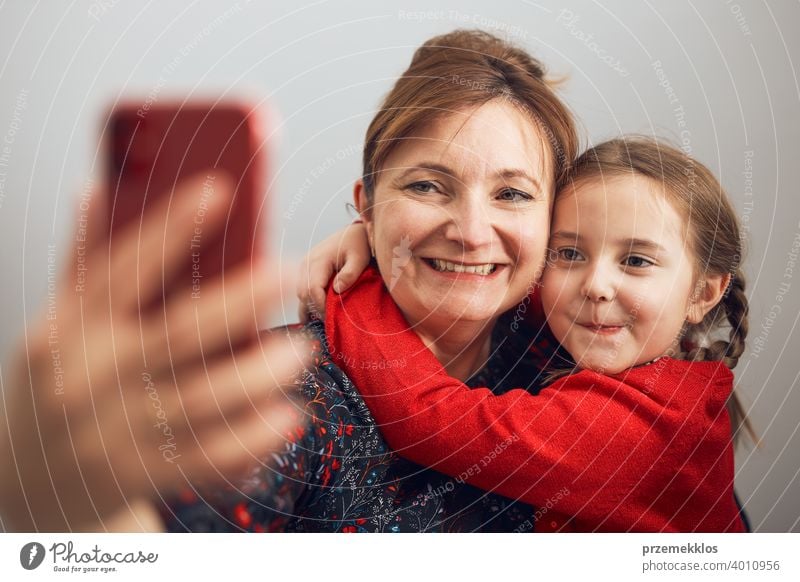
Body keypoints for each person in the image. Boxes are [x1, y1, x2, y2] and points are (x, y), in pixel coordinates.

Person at [0, 29, 578, 532]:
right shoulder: (293, 391)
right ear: (367, 211)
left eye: (512, 194)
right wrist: (72, 513)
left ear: (555, 222)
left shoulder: (579, 362)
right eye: (427, 186)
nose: (472, 231)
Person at [305, 137, 753, 532]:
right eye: (570, 253)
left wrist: (358, 285)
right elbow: (488, 282)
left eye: (636, 261)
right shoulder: (647, 356)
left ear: (704, 292)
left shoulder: (646, 425)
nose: (595, 286)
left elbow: (430, 419)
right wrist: (378, 237)